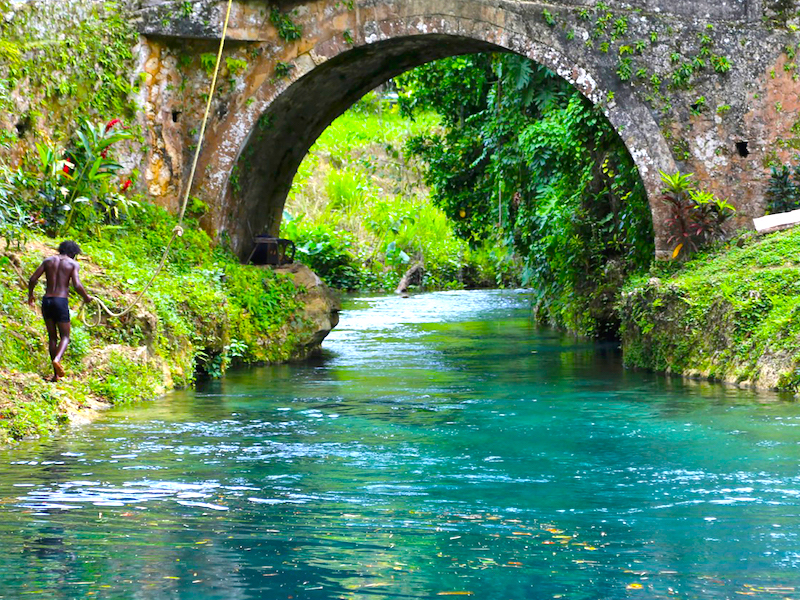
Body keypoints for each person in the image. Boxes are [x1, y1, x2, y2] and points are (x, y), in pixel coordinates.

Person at [27, 241, 93, 381]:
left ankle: (56, 375)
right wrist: (86, 297)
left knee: (52, 337)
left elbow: (33, 279)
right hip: (60, 301)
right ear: (73, 253)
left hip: (47, 301)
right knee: (65, 336)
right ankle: (57, 359)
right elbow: (77, 284)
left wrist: (31, 295)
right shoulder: (72, 264)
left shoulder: (48, 260)